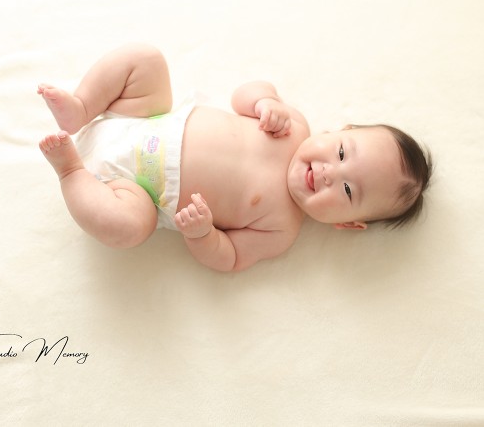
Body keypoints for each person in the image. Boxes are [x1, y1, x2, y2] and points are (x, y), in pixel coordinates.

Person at [38, 44, 432, 272]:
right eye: (342, 152)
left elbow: (230, 258)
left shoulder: (281, 230)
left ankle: (70, 171)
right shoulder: (292, 126)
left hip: (135, 189)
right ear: (337, 131)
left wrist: (202, 235)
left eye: (347, 190)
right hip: (146, 116)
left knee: (128, 230)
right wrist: (264, 102)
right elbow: (246, 93)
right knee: (146, 60)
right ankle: (82, 108)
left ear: (346, 223)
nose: (331, 172)